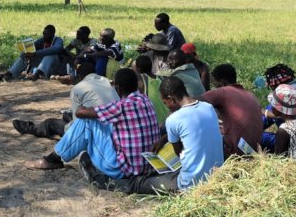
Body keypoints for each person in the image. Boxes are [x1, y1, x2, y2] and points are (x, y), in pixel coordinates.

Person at [83, 75, 224, 194]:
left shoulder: (174, 119)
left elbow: (178, 153)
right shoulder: (208, 107)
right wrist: (163, 139)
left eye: (165, 103)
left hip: (189, 184)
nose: (167, 107)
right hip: (215, 177)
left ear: (171, 99)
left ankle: (99, 180)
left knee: (138, 183)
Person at [25, 69, 160, 183]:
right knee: (101, 121)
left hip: (123, 170)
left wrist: (87, 106)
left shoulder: (121, 106)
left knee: (87, 122)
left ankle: (52, 159)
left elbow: (80, 113)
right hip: (147, 166)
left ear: (118, 88)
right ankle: (59, 154)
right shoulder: (146, 100)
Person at [12, 60, 118, 138]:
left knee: (50, 123)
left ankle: (30, 128)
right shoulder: (108, 82)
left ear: (80, 76)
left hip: (92, 132)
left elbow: (77, 123)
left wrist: (67, 129)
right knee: (67, 115)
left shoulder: (78, 88)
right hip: (114, 129)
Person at [200, 63, 262, 157]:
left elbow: (192, 103)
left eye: (215, 85)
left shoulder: (222, 91)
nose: (215, 88)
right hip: (252, 151)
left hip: (236, 152)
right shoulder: (250, 95)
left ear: (222, 82)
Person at [0, 25, 64, 82]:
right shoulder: (43, 40)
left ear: (52, 34)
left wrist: (35, 53)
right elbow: (33, 45)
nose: (43, 36)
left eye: (46, 34)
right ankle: (9, 74)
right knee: (25, 56)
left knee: (49, 55)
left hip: (54, 67)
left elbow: (56, 49)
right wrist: (26, 51)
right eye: (43, 33)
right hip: (44, 65)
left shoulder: (58, 40)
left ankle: (37, 74)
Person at [134, 54, 169, 127]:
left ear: (138, 68)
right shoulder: (162, 77)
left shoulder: (140, 78)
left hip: (157, 123)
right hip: (169, 118)